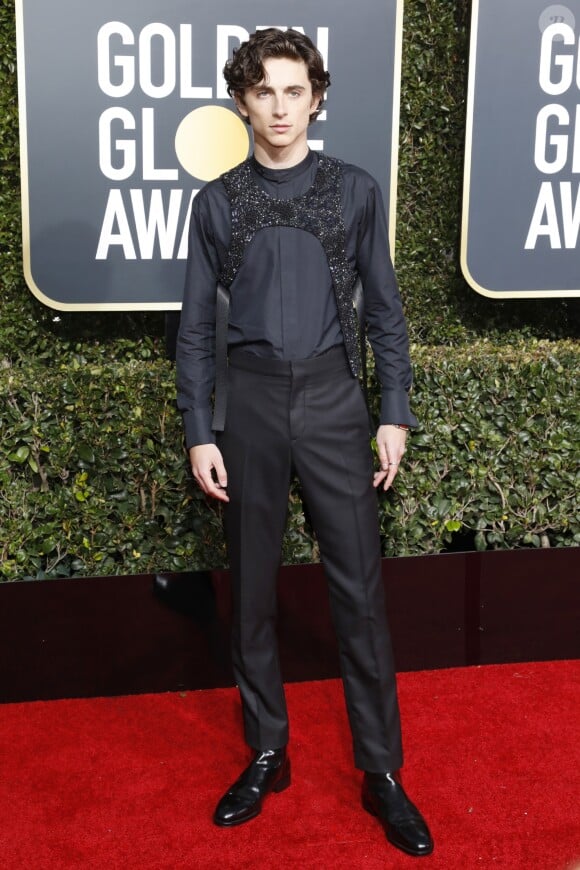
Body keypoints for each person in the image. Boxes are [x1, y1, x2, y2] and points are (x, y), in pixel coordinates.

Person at [175, 28, 433, 858]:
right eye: (264, 92)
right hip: (247, 408)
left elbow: (384, 309)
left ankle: (382, 771)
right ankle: (266, 752)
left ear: (316, 99)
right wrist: (198, 430)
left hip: (333, 403)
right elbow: (194, 332)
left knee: (359, 594)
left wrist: (392, 412)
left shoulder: (355, 191)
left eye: (295, 91)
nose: (280, 108)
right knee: (250, 591)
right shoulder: (215, 203)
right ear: (241, 102)